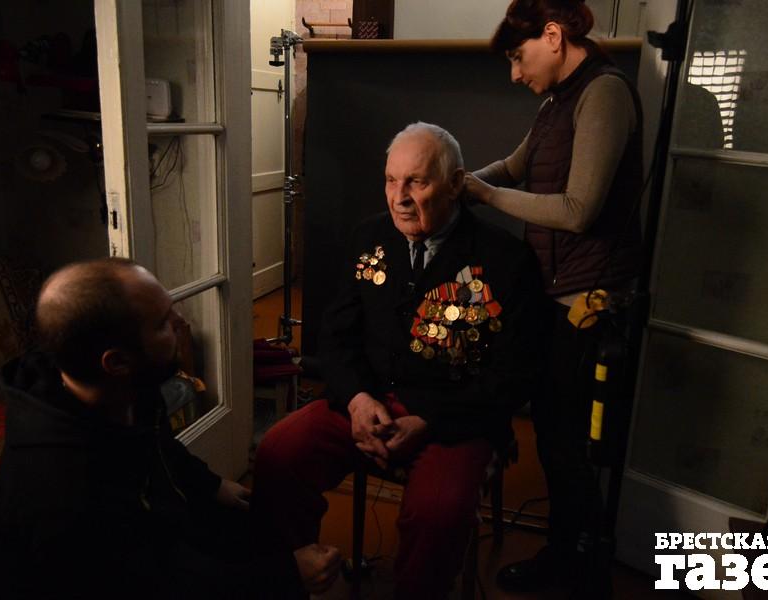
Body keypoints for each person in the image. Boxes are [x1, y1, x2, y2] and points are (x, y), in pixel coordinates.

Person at [252, 122, 550, 599]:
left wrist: (428, 420)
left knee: (437, 513)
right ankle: (291, 579)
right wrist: (356, 400)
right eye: (391, 180)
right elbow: (337, 335)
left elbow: (515, 374)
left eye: (417, 181)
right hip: (367, 402)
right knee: (278, 454)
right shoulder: (368, 237)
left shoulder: (505, 258)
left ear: (455, 183)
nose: (399, 197)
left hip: (455, 417)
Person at [0, 258, 341, 600]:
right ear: (116, 361)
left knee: (266, 528)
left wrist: (209, 484)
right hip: (121, 579)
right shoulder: (65, 496)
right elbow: (160, 585)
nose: (181, 323)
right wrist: (285, 575)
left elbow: (155, 444)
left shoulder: (119, 386)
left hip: (160, 535)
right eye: (162, 323)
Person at [464, 0, 644, 593]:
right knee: (551, 427)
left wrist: (483, 197)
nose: (515, 74)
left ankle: (576, 564)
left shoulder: (604, 93)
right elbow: (514, 167)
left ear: (553, 36)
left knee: (568, 439)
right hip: (557, 290)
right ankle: (568, 555)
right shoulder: (558, 101)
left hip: (588, 297)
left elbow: (577, 210)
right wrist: (456, 181)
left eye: (519, 58)